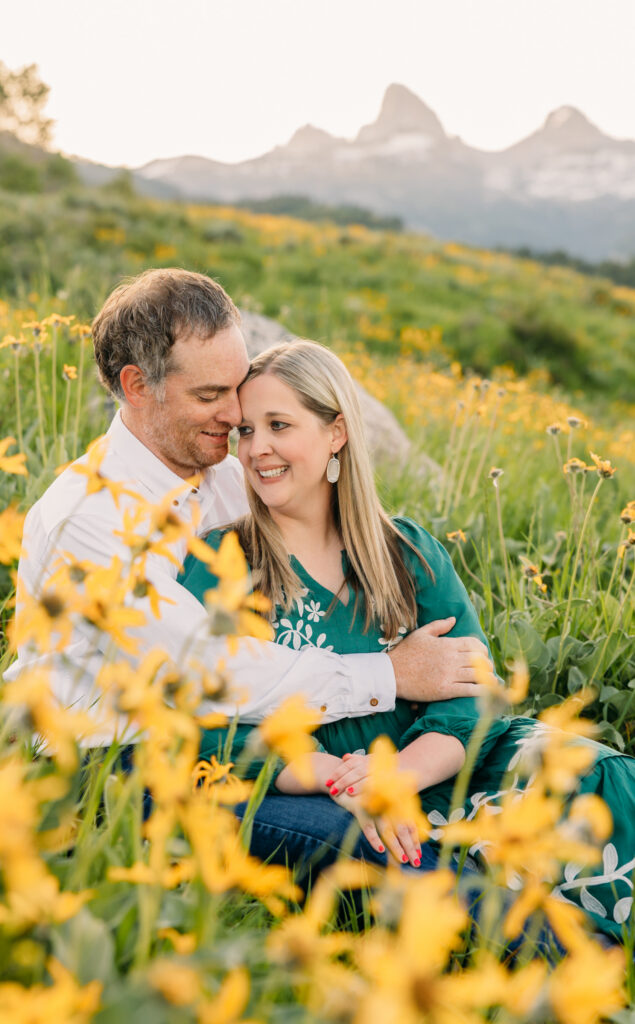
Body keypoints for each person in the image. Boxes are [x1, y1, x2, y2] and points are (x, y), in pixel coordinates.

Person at [181, 339, 635, 941]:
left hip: (442, 766)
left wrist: (399, 775)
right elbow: (200, 720)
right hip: (329, 786)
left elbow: (473, 694)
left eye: (278, 425)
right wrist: (334, 776)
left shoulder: (409, 552)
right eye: (244, 431)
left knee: (596, 775)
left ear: (335, 432)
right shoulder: (219, 563)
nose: (256, 448)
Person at [6, 267, 489, 749]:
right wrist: (387, 675)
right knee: (354, 824)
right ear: (136, 386)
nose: (237, 417)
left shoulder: (231, 478)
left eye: (235, 389)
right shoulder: (88, 517)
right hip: (110, 758)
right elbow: (205, 670)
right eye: (209, 395)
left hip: (238, 738)